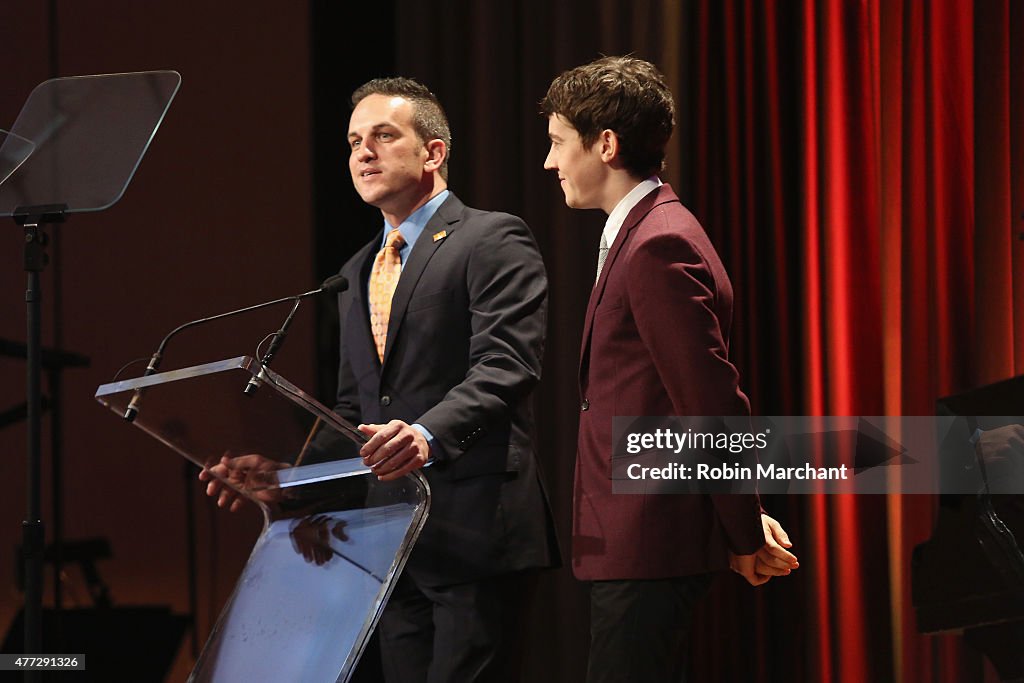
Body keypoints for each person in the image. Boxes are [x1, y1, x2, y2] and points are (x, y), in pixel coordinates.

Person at [205, 77, 558, 683]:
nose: (363, 152)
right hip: (392, 547)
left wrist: (425, 434)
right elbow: (352, 408)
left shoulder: (491, 238)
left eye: (383, 136)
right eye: (353, 141)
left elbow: (507, 365)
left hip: (476, 532)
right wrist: (293, 483)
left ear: (434, 152)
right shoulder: (355, 270)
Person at [541, 56, 798, 682]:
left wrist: (741, 530)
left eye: (556, 143)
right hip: (639, 539)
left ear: (605, 144)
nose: (549, 163)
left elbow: (710, 402)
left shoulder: (658, 242)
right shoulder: (643, 231)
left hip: (649, 540)